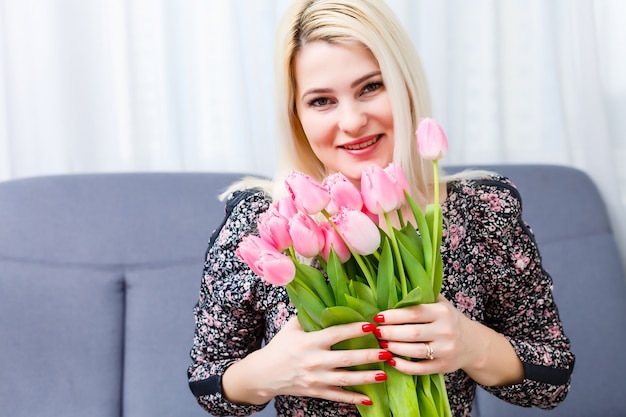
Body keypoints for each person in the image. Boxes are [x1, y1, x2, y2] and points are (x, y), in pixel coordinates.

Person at [187, 0, 575, 416]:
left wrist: (470, 344)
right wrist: (269, 372)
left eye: (371, 87)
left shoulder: (480, 211)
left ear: (405, 85)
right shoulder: (264, 224)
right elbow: (209, 382)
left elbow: (551, 380)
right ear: (296, 115)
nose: (352, 121)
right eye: (321, 101)